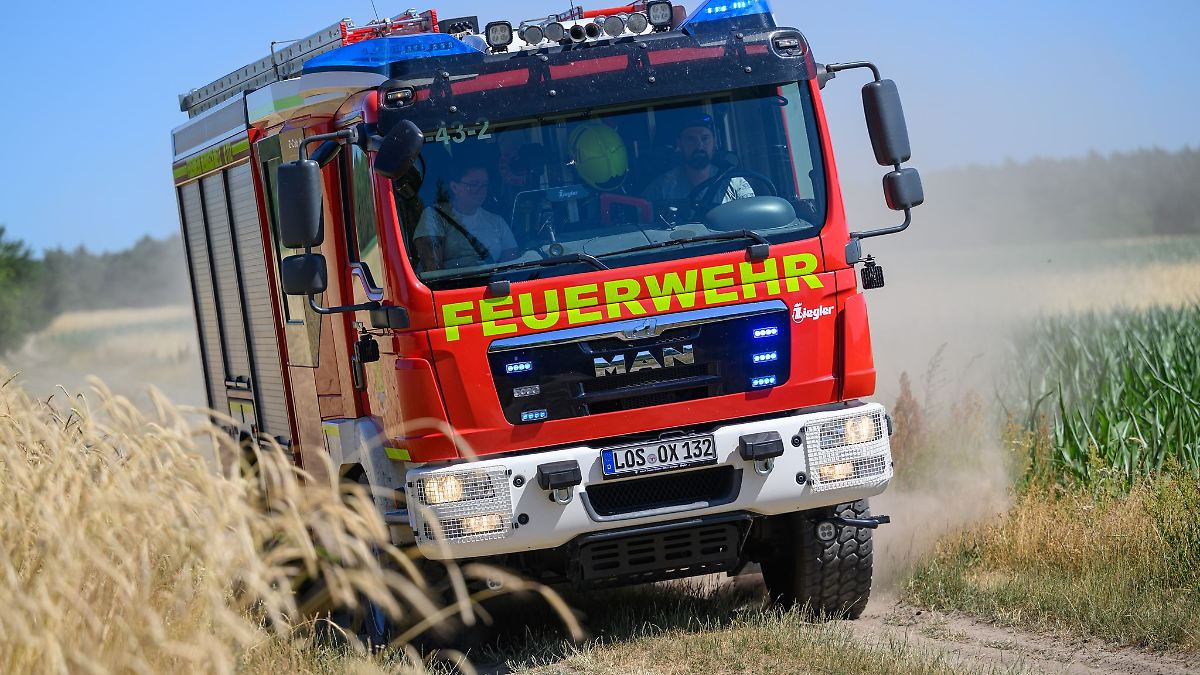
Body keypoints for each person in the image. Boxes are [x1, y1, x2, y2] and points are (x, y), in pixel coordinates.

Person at [413, 163, 519, 272]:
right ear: (455, 187)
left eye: (484, 185)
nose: (480, 190)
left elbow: (511, 264)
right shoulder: (434, 216)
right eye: (473, 184)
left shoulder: (497, 222)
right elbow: (432, 268)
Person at [642, 114, 754, 205]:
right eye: (691, 139)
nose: (699, 146)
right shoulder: (659, 189)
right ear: (679, 144)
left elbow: (752, 221)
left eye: (705, 138)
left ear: (714, 142)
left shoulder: (736, 183)